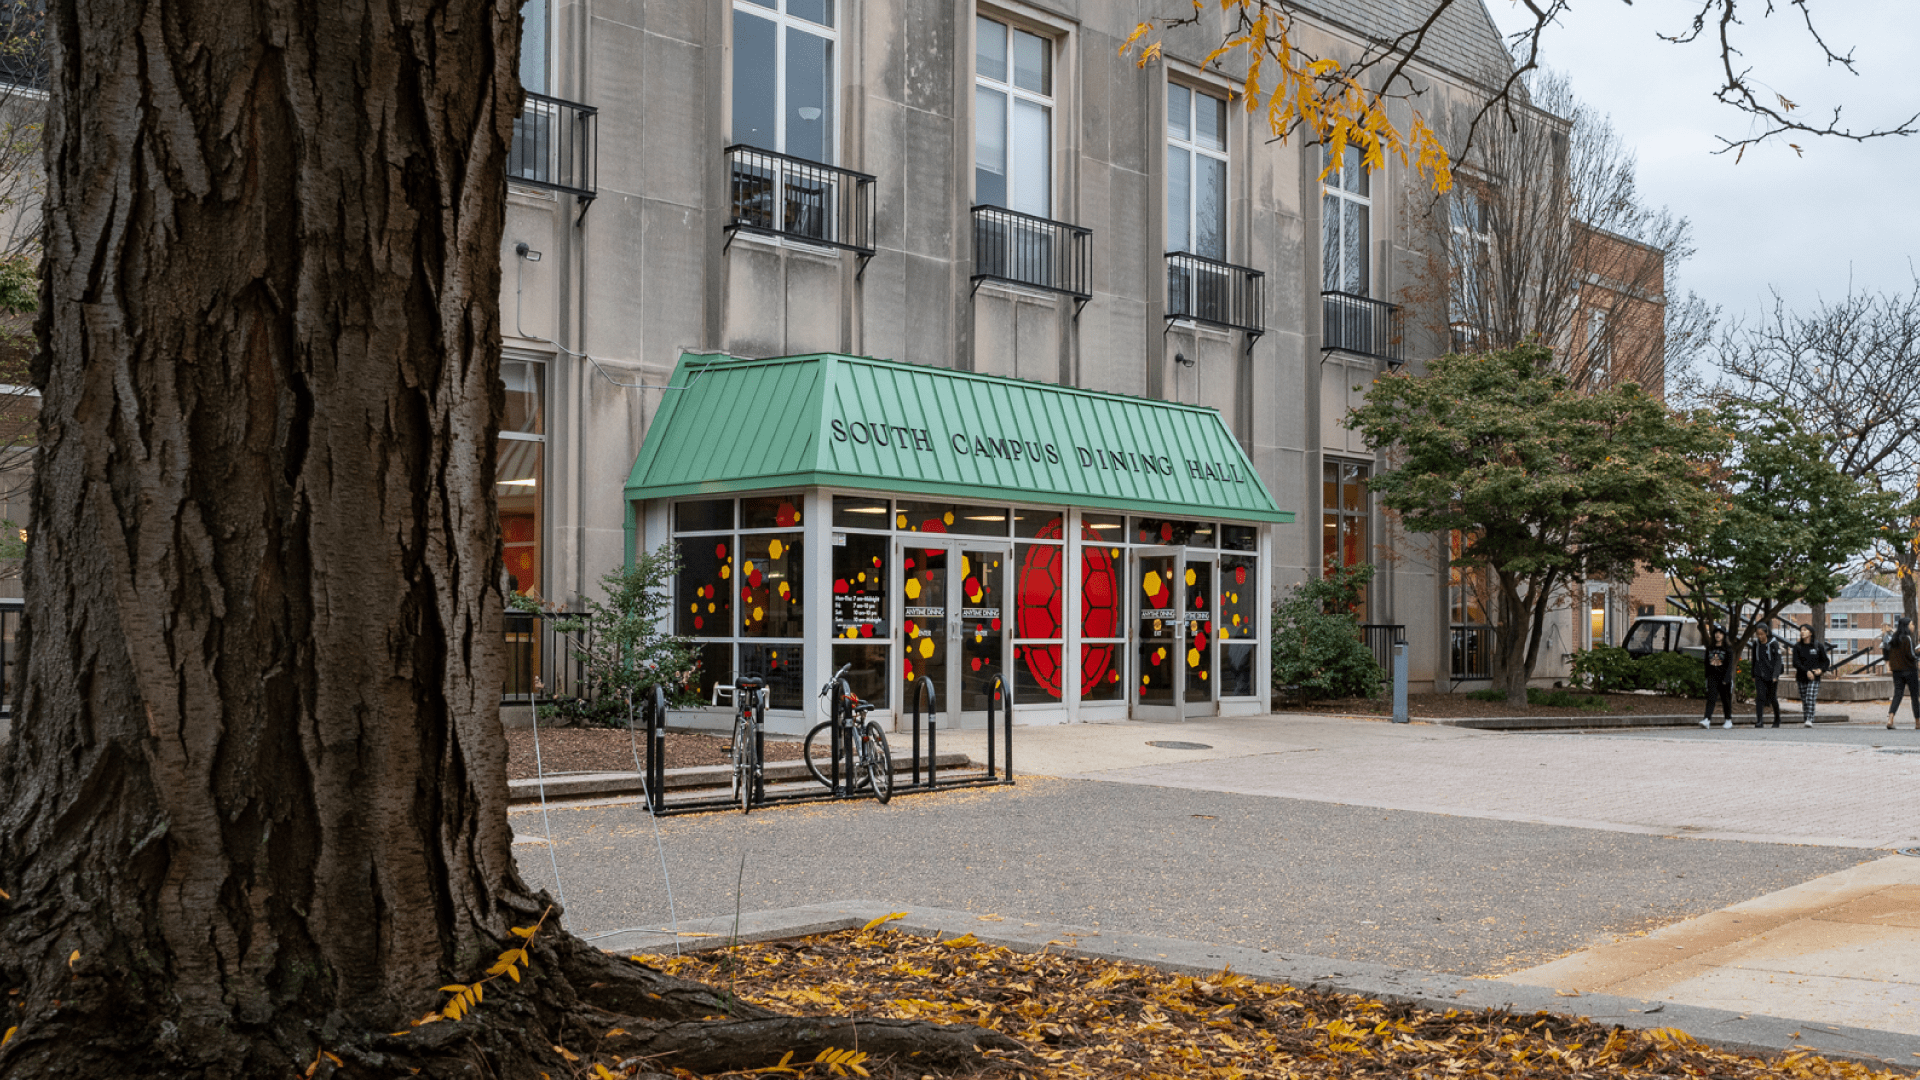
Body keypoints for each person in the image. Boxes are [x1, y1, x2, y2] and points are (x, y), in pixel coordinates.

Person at [1791, 626, 1831, 728]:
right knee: (1805, 699)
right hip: (1801, 676)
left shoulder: (1818, 646)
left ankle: (1809, 719)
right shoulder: (1797, 647)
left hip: (1814, 677)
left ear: (1811, 633)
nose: (1802, 632)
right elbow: (1796, 662)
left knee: (1810, 697)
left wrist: (1821, 670)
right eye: (1801, 630)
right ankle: (1806, 718)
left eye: (1805, 630)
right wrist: (1806, 671)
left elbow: (1826, 661)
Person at [1884, 617, 1919, 730]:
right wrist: (1918, 654)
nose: (1913, 626)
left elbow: (1890, 654)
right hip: (1910, 671)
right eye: (1912, 624)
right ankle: (1918, 722)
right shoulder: (1907, 638)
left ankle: (1890, 718)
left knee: (1897, 694)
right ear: (1907, 626)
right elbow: (1911, 655)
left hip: (1897, 671)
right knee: (1914, 696)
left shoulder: (1894, 638)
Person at [1750, 623, 1785, 728]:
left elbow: (1778, 661)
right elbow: (1753, 660)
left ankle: (1777, 718)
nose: (1760, 636)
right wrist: (1753, 674)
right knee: (1760, 697)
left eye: (1762, 634)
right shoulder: (1756, 644)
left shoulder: (1773, 643)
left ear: (1766, 633)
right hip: (1759, 674)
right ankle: (1759, 721)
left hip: (1771, 675)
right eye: (1758, 634)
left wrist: (1775, 675)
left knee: (1772, 698)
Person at [1700, 626, 1735, 729]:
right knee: (1711, 697)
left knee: (1725, 699)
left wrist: (1727, 678)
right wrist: (1707, 675)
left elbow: (1729, 665)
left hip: (1724, 678)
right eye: (1716, 633)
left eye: (1720, 633)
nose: (1717, 635)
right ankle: (1707, 719)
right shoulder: (1710, 648)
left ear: (1724, 635)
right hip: (1712, 677)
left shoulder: (1728, 649)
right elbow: (1706, 662)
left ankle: (1728, 720)